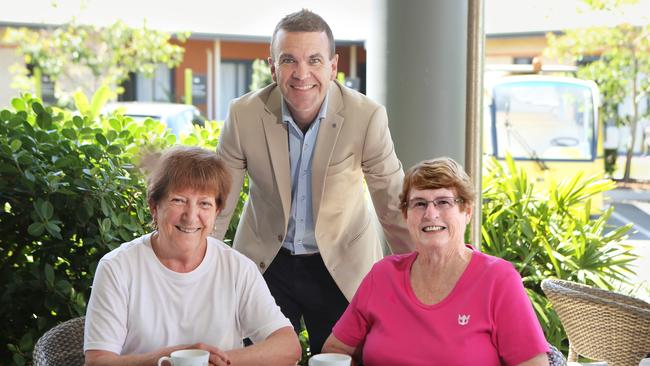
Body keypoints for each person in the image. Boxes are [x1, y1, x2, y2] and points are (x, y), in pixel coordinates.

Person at [213, 9, 412, 354]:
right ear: (272, 67)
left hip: (340, 261)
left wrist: (419, 279)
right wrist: (196, 272)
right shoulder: (243, 115)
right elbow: (215, 204)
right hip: (266, 260)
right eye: (289, 60)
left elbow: (394, 204)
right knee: (256, 359)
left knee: (344, 360)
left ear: (333, 67)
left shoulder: (366, 117)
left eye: (314, 60)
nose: (302, 73)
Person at [84, 146, 301, 366]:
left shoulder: (237, 268)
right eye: (178, 200)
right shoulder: (117, 267)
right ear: (154, 207)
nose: (191, 217)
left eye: (204, 203)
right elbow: (97, 362)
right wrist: (168, 359)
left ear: (216, 212)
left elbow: (288, 347)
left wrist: (212, 362)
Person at [322, 157, 550, 366]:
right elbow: (334, 350)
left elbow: (533, 364)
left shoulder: (498, 279)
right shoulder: (383, 275)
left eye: (443, 202)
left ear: (467, 211)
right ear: (406, 215)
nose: (430, 214)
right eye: (419, 203)